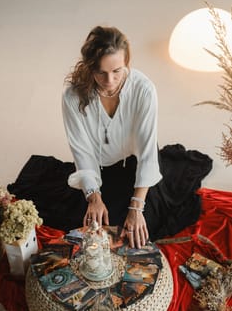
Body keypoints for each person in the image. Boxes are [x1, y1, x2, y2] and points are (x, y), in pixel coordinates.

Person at [62, 25, 162, 249]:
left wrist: (136, 207)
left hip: (135, 162)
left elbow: (147, 150)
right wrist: (94, 197)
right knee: (96, 229)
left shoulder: (144, 90)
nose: (109, 80)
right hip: (98, 168)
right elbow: (82, 150)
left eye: (117, 70)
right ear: (89, 67)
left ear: (127, 62)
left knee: (141, 230)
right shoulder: (72, 95)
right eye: (100, 72)